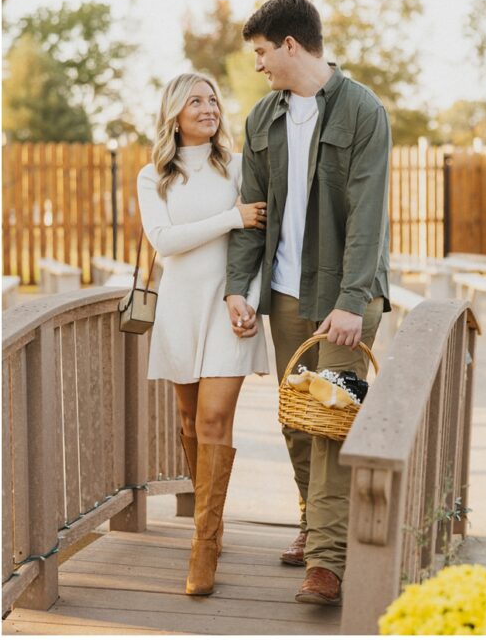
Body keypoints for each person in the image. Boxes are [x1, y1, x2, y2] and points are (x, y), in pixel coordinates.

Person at [225, 0, 391, 606]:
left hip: (347, 299)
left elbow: (369, 215)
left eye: (264, 53)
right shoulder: (260, 119)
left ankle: (327, 561)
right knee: (299, 420)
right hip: (287, 295)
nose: (260, 66)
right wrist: (239, 291)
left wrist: (351, 299)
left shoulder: (362, 109)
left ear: (291, 45)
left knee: (334, 424)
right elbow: (254, 216)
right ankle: (310, 519)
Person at [137, 72, 269, 596]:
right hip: (179, 309)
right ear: (174, 113)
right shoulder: (156, 177)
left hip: (229, 307)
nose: (208, 107)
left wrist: (251, 300)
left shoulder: (237, 168)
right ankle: (206, 521)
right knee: (189, 418)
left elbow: (259, 240)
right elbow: (165, 243)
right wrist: (230, 217)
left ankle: (205, 543)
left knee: (215, 417)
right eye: (195, 100)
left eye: (213, 98)